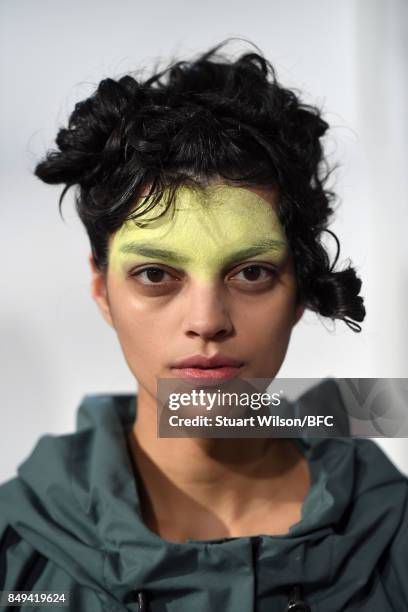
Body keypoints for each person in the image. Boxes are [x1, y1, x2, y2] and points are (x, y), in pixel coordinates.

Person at [0, 39, 407, 612]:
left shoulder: (395, 538)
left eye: (252, 272)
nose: (207, 321)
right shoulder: (16, 560)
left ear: (300, 292)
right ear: (102, 290)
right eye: (155, 274)